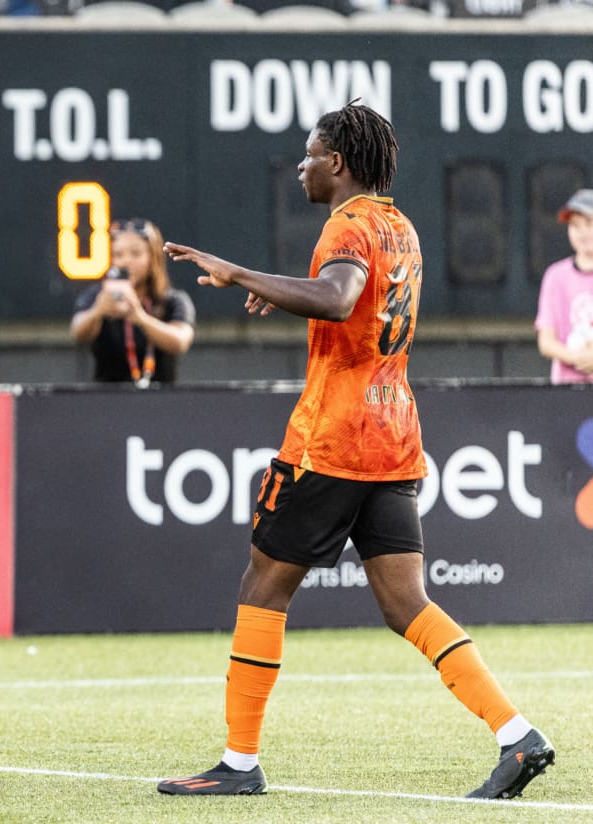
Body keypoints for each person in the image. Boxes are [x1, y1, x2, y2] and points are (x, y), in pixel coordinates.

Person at [155, 102, 554, 800]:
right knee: (406, 603)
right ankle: (517, 736)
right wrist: (286, 295)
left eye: (309, 154)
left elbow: (338, 299)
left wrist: (239, 273)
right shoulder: (399, 225)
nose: (302, 166)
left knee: (264, 586)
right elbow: (356, 306)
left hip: (333, 441)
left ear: (336, 162)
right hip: (394, 436)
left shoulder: (345, 224)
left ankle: (239, 764)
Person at [70, 217, 195, 385]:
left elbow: (180, 341)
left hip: (161, 399)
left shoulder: (172, 300)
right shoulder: (98, 296)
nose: (126, 261)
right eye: (118, 254)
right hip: (106, 399)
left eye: (136, 254)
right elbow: (78, 332)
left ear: (153, 257)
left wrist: (139, 317)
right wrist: (98, 311)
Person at [534, 188, 593, 384]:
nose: (582, 233)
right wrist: (577, 357)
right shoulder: (556, 276)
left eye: (589, 223)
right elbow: (546, 341)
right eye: (575, 225)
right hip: (566, 393)